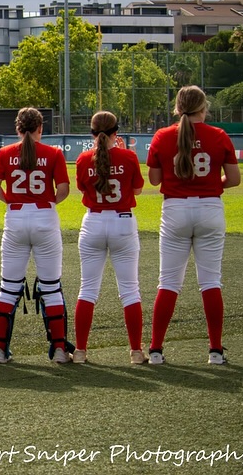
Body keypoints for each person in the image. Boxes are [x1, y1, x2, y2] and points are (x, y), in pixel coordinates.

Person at [146, 86, 240, 365]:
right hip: (210, 208)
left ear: (177, 108)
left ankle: (155, 350)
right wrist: (211, 184)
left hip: (175, 209)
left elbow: (154, 179)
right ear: (203, 107)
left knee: (168, 283)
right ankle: (215, 351)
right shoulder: (218, 135)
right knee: (210, 282)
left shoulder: (163, 135)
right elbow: (234, 179)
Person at [0, 107, 72, 364]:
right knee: (51, 287)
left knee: (8, 287)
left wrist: (10, 201)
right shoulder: (53, 153)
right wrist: (47, 203)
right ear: (40, 128)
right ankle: (59, 349)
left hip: (15, 217)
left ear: (17, 128)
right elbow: (64, 189)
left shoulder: (5, 153)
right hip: (44, 216)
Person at [73, 111, 146, 364]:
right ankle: (136, 352)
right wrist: (122, 155)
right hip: (122, 222)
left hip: (93, 222)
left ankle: (80, 351)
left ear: (92, 133)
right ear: (116, 132)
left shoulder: (83, 159)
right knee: (130, 291)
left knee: (87, 290)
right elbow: (137, 189)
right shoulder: (128, 156)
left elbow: (83, 188)